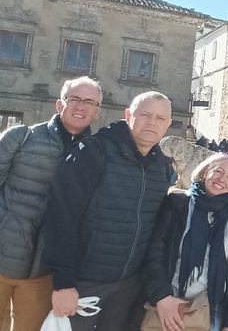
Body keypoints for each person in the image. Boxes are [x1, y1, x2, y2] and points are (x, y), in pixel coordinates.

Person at [43, 91, 175, 331]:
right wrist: (63, 284)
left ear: (168, 124)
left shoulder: (163, 168)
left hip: (128, 286)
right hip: (83, 282)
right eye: (144, 114)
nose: (151, 122)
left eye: (159, 118)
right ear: (128, 115)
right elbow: (61, 217)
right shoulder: (94, 151)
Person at [0, 77, 102, 331]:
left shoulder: (95, 153)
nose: (81, 106)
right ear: (59, 104)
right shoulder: (20, 138)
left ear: (97, 111)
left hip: (42, 274)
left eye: (89, 101)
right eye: (75, 99)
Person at [142, 153, 228, 331]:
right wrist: (161, 297)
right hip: (170, 305)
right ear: (205, 172)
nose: (222, 179)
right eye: (218, 171)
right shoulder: (176, 205)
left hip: (214, 311)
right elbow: (154, 252)